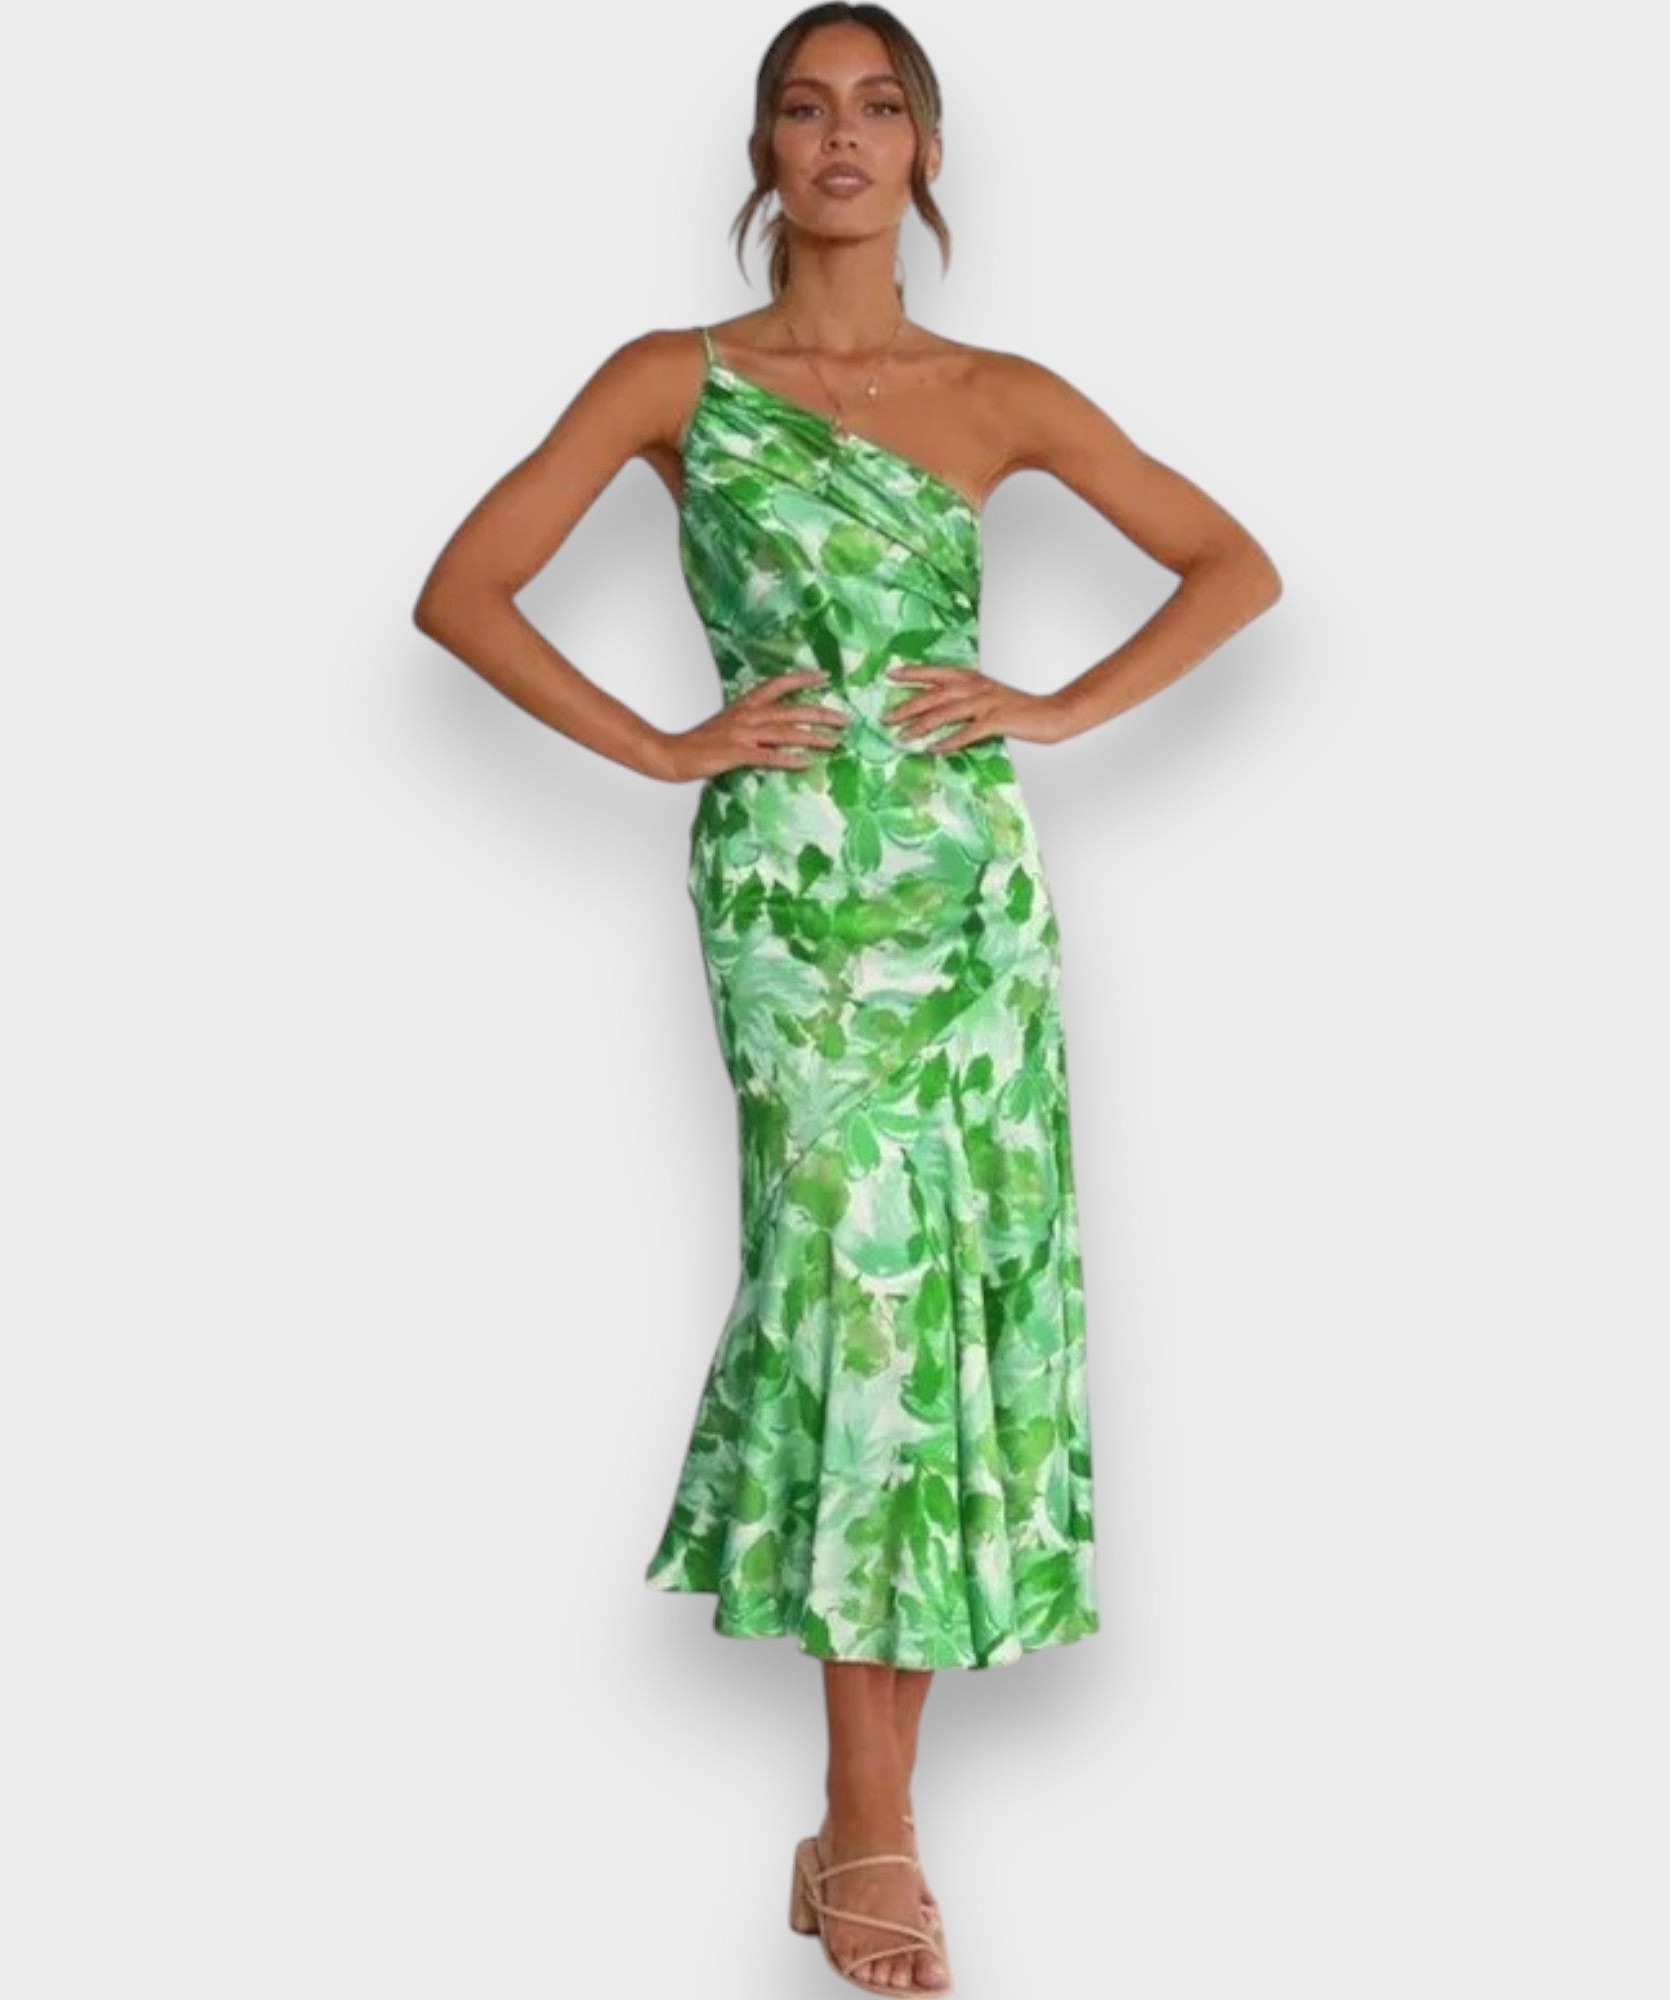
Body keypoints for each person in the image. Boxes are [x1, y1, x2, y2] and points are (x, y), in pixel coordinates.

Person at [412, 5, 1281, 1990]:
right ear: (761, 150)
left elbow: (1230, 564)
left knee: (935, 1301)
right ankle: (872, 1823)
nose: (840, 136)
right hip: (789, 895)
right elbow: (463, 588)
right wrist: (663, 744)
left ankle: (860, 1824)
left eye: (879, 106)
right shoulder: (676, 379)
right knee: (840, 1286)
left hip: (967, 898)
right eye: (803, 106)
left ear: (926, 152)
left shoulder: (995, 392)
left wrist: (1058, 706)